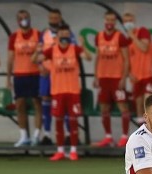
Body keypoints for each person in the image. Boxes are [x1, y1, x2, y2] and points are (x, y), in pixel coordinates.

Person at [35, 25, 92, 161]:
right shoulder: (52, 50)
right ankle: (60, 150)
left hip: (72, 91)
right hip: (57, 91)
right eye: (62, 34)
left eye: (67, 33)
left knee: (73, 120)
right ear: (58, 35)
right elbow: (36, 60)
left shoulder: (74, 49)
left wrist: (83, 45)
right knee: (59, 120)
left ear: (69, 35)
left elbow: (88, 58)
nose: (64, 36)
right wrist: (38, 54)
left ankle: (73, 150)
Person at [93, 10, 131, 147]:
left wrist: (123, 77)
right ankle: (108, 136)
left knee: (123, 107)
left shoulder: (120, 37)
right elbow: (97, 57)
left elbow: (127, 59)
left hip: (116, 78)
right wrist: (96, 76)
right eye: (107, 20)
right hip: (103, 78)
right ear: (104, 21)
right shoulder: (99, 37)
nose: (110, 23)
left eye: (112, 20)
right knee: (104, 108)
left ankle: (125, 136)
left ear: (115, 22)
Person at [6, 10, 42, 147]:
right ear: (17, 21)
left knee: (37, 103)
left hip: (35, 74)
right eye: (21, 18)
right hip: (20, 75)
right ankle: (23, 136)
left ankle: (36, 135)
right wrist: (9, 78)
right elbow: (10, 58)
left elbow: (42, 54)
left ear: (30, 18)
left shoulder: (37, 34)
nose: (24, 19)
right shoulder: (14, 36)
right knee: (19, 105)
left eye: (26, 17)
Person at [37, 8, 67, 146]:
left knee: (63, 103)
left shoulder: (67, 33)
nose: (53, 20)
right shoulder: (44, 33)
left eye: (56, 18)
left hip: (62, 75)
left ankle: (67, 136)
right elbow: (38, 52)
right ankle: (47, 135)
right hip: (47, 74)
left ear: (60, 18)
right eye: (51, 18)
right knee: (46, 102)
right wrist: (40, 66)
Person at [123, 12, 152, 125]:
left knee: (148, 102)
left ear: (134, 20)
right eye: (125, 21)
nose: (128, 23)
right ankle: (142, 130)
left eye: (130, 20)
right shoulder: (126, 39)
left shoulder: (142, 31)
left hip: (148, 74)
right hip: (136, 76)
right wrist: (129, 73)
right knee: (138, 104)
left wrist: (133, 36)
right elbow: (127, 58)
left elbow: (144, 48)